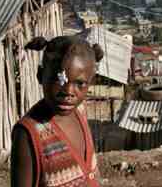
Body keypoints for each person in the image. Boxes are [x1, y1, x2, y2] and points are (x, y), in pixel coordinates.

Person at [11, 35, 104, 187]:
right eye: (58, 80)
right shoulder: (28, 134)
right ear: (40, 75)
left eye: (80, 83)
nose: (68, 91)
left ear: (91, 81)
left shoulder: (80, 112)